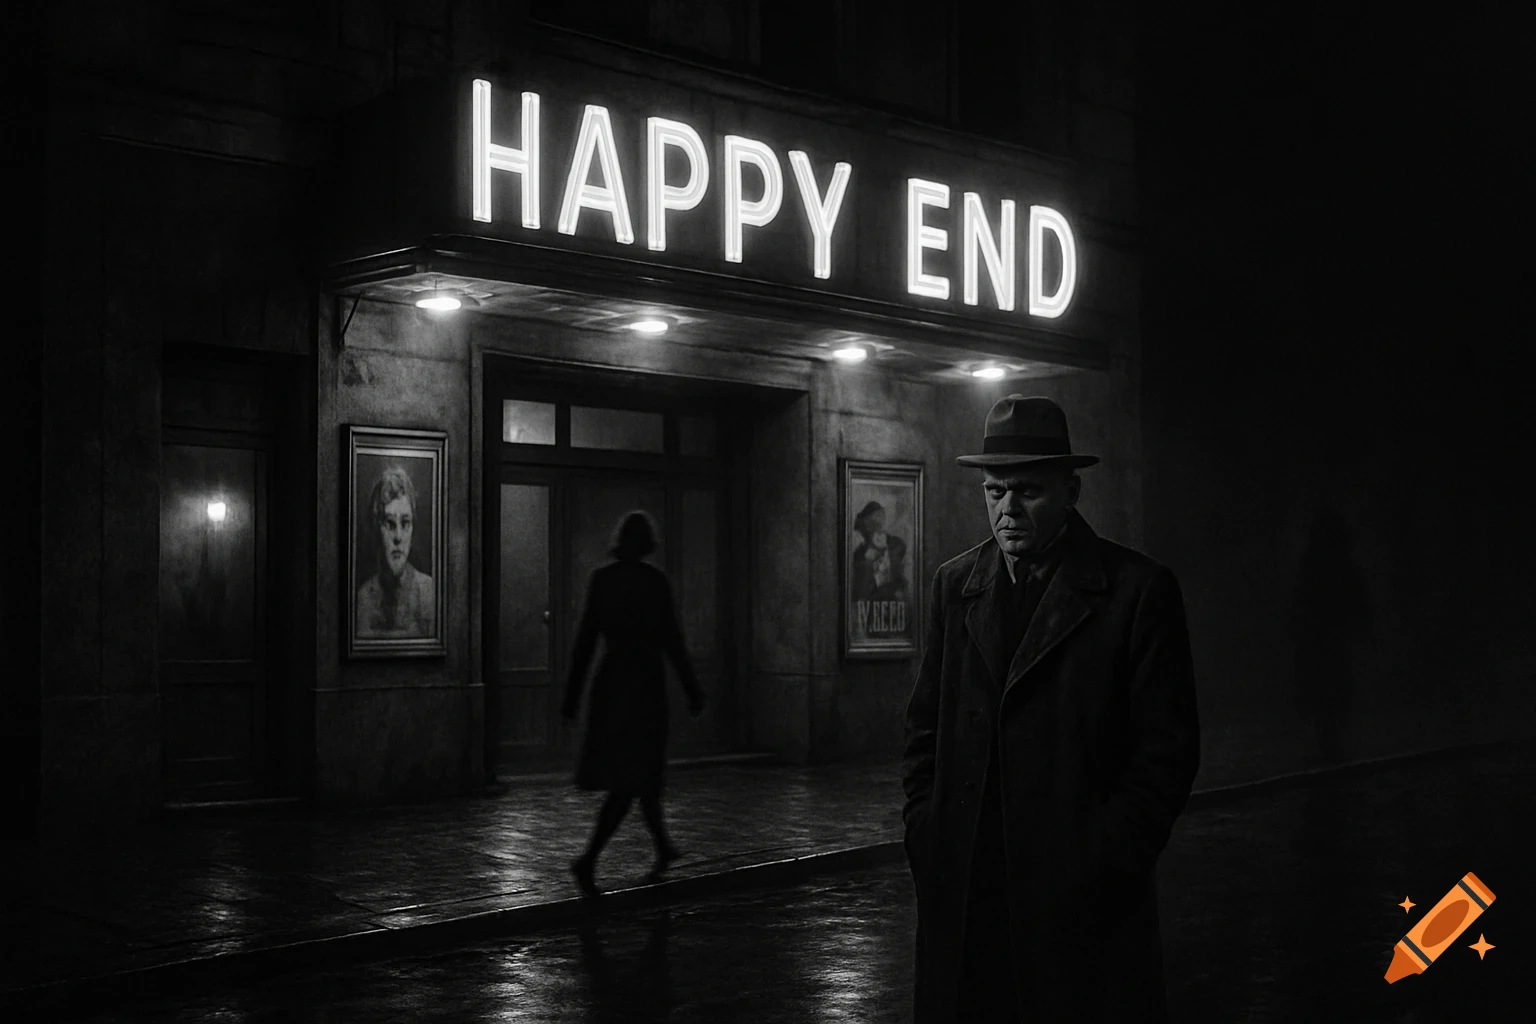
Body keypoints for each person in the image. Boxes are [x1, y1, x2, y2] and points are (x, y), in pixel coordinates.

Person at [902, 394, 1201, 1022]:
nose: (1007, 509)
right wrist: (927, 834)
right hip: (968, 891)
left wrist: (1103, 857)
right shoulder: (956, 585)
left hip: (1077, 900)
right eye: (994, 491)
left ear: (1071, 491)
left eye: (1028, 491)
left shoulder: (1137, 592)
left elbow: (1166, 754)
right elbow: (925, 727)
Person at [563, 510, 706, 897]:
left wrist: (571, 698)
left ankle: (662, 847)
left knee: (641, 776)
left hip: (611, 688)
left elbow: (585, 642)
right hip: (645, 689)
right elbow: (673, 642)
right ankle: (589, 858)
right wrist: (692, 690)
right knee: (635, 778)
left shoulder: (602, 581)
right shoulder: (654, 583)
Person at [355, 464, 435, 638]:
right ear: (377, 527)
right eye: (390, 524)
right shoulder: (362, 600)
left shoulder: (429, 593)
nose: (398, 536)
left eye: (405, 523)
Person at [851, 500, 909, 604]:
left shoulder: (896, 545)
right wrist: (867, 562)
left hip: (894, 604)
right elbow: (858, 593)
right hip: (871, 605)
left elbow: (900, 577)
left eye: (880, 517)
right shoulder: (860, 554)